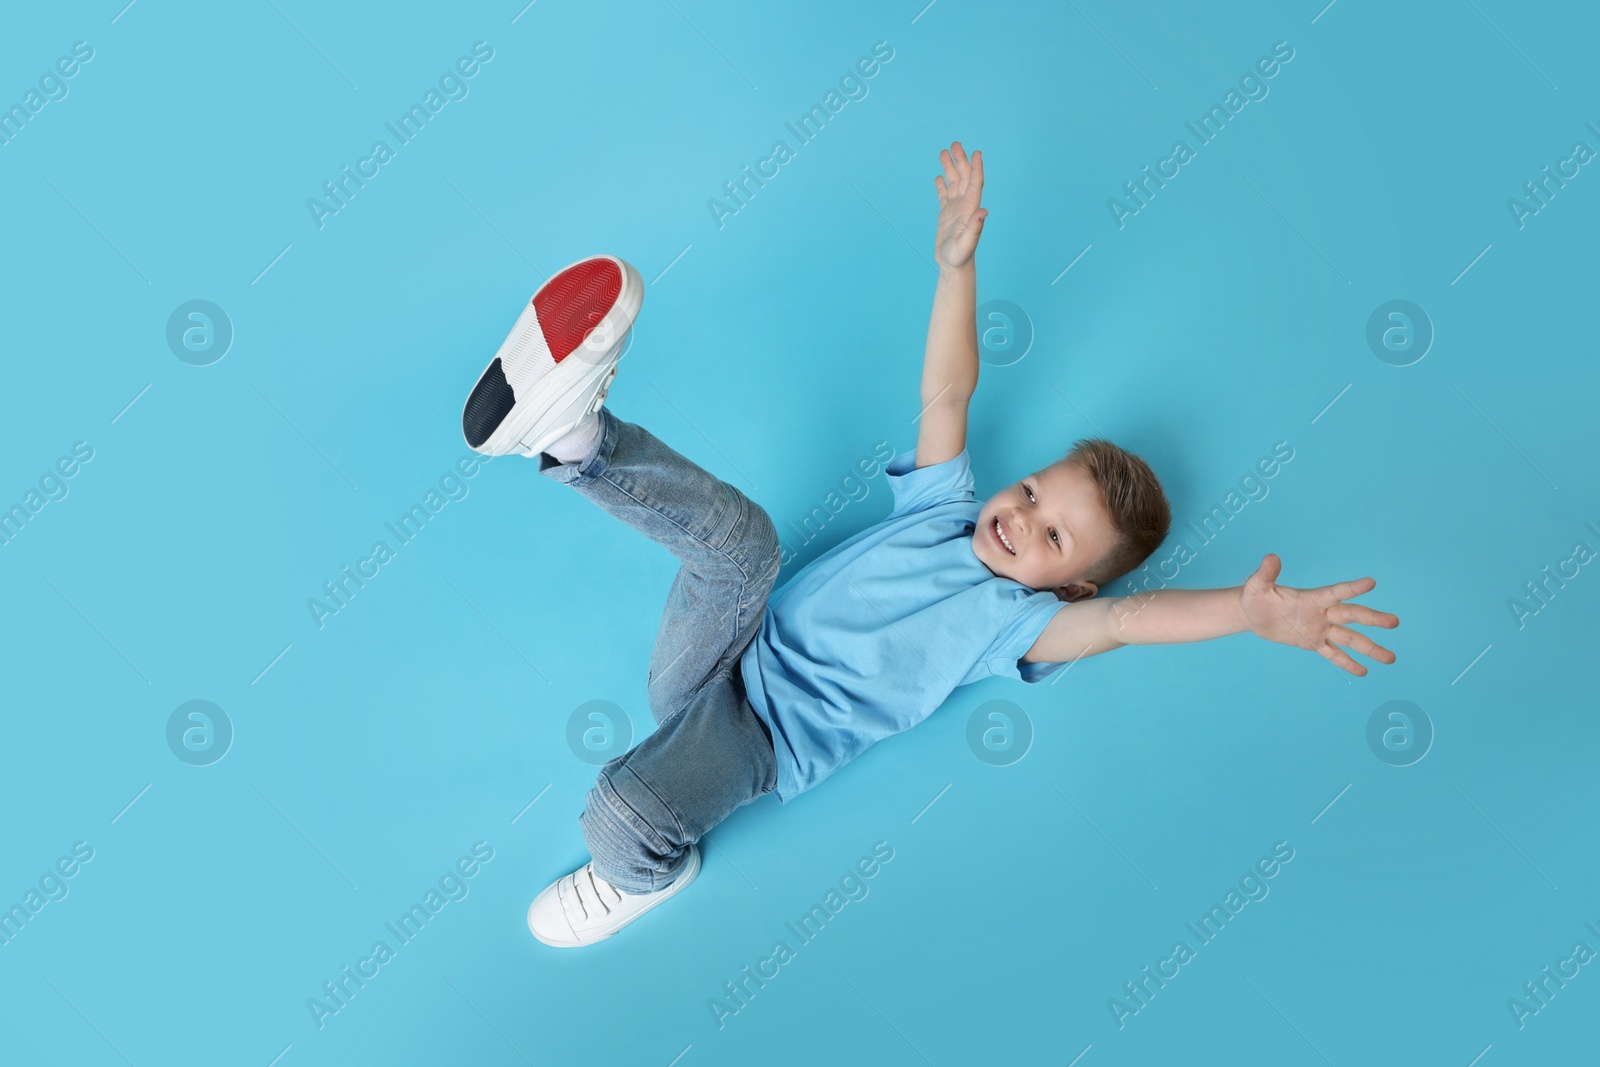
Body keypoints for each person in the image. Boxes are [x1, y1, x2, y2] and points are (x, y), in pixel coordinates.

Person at [458, 141, 1400, 948]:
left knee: (622, 816)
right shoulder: (942, 508)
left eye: (1052, 535)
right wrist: (957, 269)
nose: (1021, 517)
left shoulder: (1014, 626)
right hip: (722, 653)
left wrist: (1242, 609)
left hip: (762, 737)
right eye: (1032, 491)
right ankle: (578, 439)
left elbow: (1129, 623)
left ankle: (642, 875)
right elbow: (949, 394)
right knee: (746, 544)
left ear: (1066, 588)